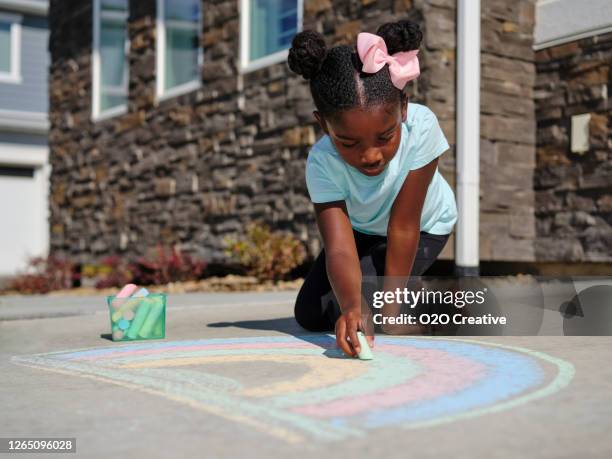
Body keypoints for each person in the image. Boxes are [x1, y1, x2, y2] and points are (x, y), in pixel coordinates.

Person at [287, 20, 458, 357]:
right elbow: (338, 248)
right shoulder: (322, 161)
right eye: (348, 142)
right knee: (310, 313)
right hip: (364, 229)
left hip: (421, 228)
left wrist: (391, 313)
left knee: (379, 310)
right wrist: (351, 304)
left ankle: (434, 301)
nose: (370, 155)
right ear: (323, 124)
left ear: (403, 108)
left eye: (385, 137)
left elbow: (404, 225)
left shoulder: (421, 128)